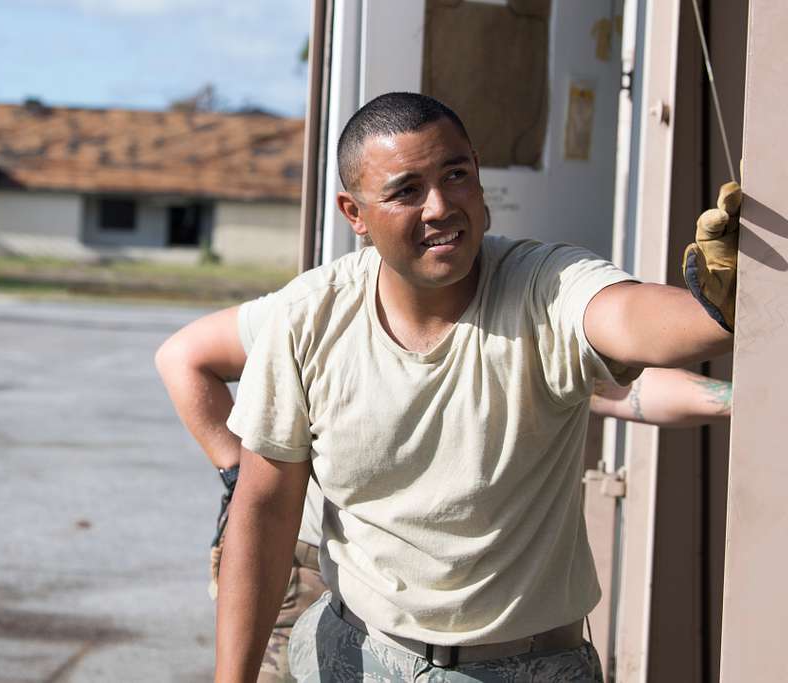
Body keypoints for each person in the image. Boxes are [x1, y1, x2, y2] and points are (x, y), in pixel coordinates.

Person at [207, 92, 738, 682]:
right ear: (353, 213)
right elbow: (264, 511)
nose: (440, 207)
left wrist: (716, 310)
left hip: (530, 665)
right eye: (406, 191)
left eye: (455, 175)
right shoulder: (309, 317)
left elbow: (628, 316)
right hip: (353, 653)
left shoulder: (545, 285)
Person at [155, 299, 731, 682]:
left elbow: (631, 389)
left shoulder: (515, 329)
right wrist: (244, 478)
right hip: (300, 559)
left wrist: (740, 394)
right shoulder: (315, 312)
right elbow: (182, 357)